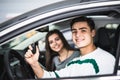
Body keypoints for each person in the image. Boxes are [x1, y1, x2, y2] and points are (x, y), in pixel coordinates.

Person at [24, 16, 115, 78]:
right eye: (74, 31)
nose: (77, 35)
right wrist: (34, 64)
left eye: (83, 30)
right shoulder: (74, 63)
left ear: (92, 33)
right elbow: (51, 77)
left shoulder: (105, 59)